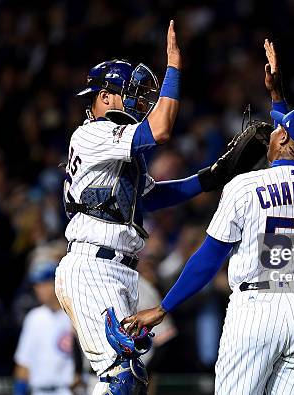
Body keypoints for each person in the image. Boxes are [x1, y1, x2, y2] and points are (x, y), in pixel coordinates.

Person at [124, 39, 294, 394]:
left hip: (255, 309)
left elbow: (209, 259)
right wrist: (277, 97)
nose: (270, 130)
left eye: (277, 128)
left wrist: (164, 307)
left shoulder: (244, 185)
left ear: (283, 134)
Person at [55, 20, 238, 394]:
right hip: (94, 267)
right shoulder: (94, 132)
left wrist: (209, 178)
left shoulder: (116, 150)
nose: (140, 100)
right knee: (122, 379)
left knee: (130, 380)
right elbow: (161, 128)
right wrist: (173, 68)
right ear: (104, 97)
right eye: (131, 93)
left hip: (115, 268)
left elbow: (152, 197)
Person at [14, 262, 80, 395]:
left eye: (44, 284)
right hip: (39, 390)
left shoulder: (74, 315)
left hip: (67, 390)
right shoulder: (34, 317)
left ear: (56, 284)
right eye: (37, 285)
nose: (39, 289)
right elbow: (23, 364)